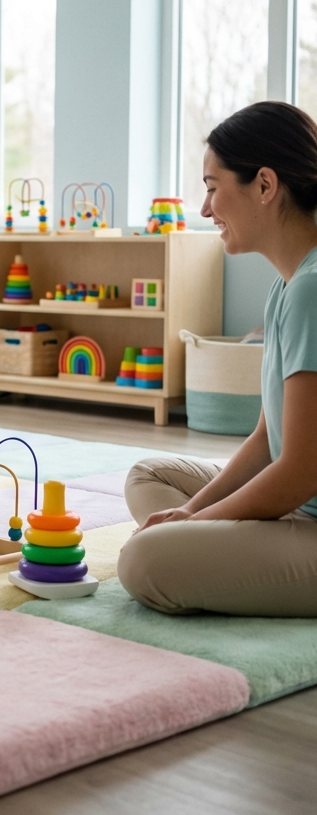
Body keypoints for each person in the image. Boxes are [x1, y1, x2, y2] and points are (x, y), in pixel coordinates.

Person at [118, 100, 317, 616]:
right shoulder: (287, 285)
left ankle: (222, 554)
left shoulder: (310, 292)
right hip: (296, 504)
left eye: (211, 187)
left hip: (308, 515)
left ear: (266, 185)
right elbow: (267, 439)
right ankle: (229, 549)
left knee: (144, 561)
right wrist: (189, 510)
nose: (205, 210)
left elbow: (299, 472)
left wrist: (199, 524)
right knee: (148, 477)